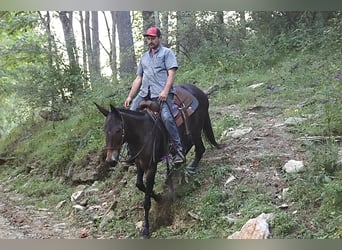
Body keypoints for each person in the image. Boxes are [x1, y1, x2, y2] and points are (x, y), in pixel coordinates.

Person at [124, 26, 185, 164]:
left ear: (159, 38)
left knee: (167, 117)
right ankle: (131, 150)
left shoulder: (167, 53)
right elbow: (138, 78)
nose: (150, 41)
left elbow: (171, 73)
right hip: (145, 93)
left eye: (152, 38)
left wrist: (165, 91)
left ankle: (178, 150)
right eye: (148, 38)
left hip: (162, 94)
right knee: (129, 116)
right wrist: (130, 96)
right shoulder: (144, 57)